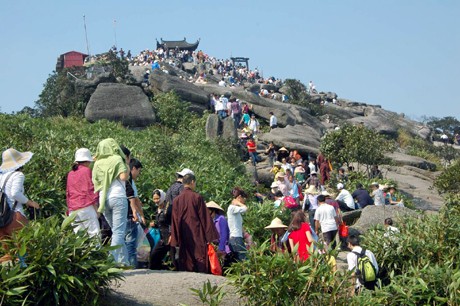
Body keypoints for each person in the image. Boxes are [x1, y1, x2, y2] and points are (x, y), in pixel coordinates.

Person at [170, 173, 219, 273]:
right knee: (199, 256)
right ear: (192, 182)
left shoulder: (176, 200)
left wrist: (175, 238)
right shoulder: (197, 197)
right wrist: (211, 237)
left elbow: (174, 220)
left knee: (186, 257)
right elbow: (204, 217)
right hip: (196, 232)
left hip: (183, 232)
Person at [92, 138, 130, 265]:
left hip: (104, 199)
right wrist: (127, 166)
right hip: (118, 197)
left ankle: (124, 262)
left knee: (116, 231)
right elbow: (124, 177)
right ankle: (111, 261)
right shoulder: (117, 159)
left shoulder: (97, 163)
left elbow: (95, 181)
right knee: (119, 232)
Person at [0, 148, 40, 263]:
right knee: (24, 251)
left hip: (1, 219)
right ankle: (26, 275)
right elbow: (15, 193)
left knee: (9, 255)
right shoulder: (18, 175)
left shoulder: (0, 175)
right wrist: (30, 203)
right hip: (15, 217)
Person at [66, 148, 100, 237]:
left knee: (79, 237)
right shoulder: (87, 171)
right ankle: (97, 251)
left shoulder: (71, 173)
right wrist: (97, 209)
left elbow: (68, 192)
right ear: (87, 161)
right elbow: (90, 191)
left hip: (73, 209)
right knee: (94, 234)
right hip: (86, 207)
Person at [149, 189, 170, 270]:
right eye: (154, 199)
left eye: (157, 198)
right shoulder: (158, 210)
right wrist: (155, 225)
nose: (156, 201)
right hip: (162, 239)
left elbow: (172, 222)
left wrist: (171, 234)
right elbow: (161, 223)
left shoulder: (167, 209)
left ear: (162, 197)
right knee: (154, 258)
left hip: (169, 238)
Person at [227, 187, 248, 261]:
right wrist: (238, 202)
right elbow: (245, 208)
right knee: (244, 261)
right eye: (244, 199)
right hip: (236, 238)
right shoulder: (232, 208)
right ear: (239, 197)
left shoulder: (234, 209)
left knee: (237, 261)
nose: (244, 201)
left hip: (236, 238)